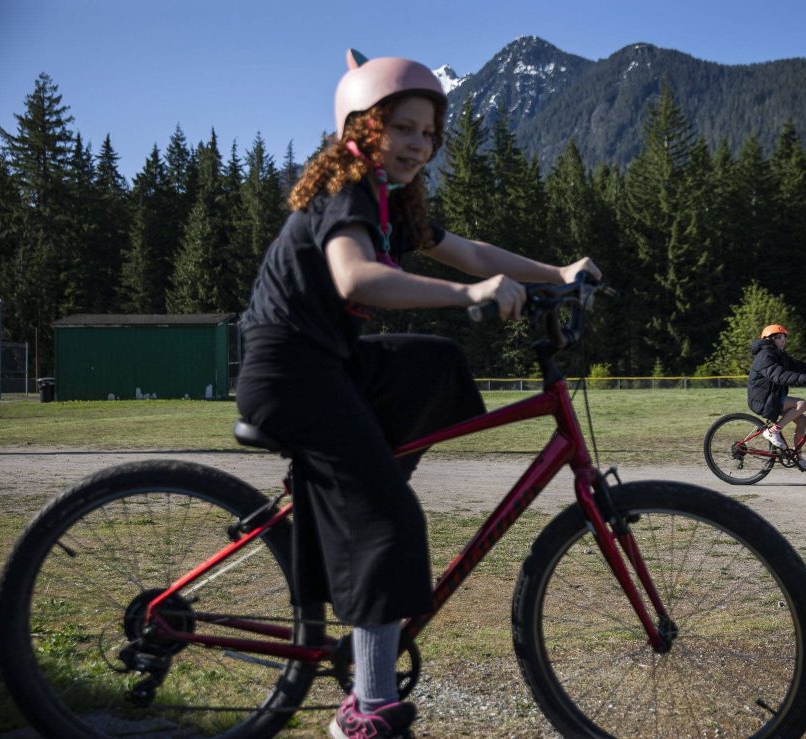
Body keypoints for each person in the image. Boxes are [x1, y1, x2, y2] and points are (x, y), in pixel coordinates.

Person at [235, 48, 600, 739]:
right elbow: (356, 279)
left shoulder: (389, 199)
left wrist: (557, 272)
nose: (417, 146)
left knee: (435, 366)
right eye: (403, 128)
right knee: (387, 518)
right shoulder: (345, 190)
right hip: (288, 371)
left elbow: (472, 252)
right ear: (362, 127)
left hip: (327, 363)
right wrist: (470, 296)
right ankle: (366, 710)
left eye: (428, 134)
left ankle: (356, 491)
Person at [747, 324, 806, 471]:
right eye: (779, 337)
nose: (783, 340)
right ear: (769, 340)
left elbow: (799, 366)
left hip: (773, 397)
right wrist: (805, 379)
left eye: (784, 337)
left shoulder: (780, 355)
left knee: (803, 420)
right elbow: (780, 376)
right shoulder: (765, 356)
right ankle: (773, 431)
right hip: (763, 400)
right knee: (801, 404)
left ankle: (798, 457)